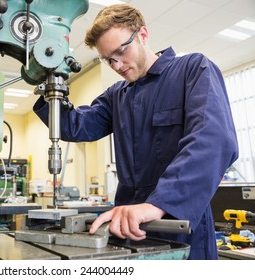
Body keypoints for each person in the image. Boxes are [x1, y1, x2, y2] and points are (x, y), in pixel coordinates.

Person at [33, 4, 238, 259]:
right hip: (127, 228)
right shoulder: (116, 96)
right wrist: (48, 88)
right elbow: (76, 126)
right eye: (108, 59)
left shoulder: (192, 70)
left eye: (121, 51)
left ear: (142, 35)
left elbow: (213, 139)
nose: (117, 65)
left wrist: (158, 203)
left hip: (182, 226)